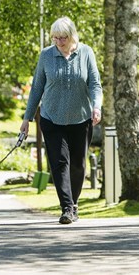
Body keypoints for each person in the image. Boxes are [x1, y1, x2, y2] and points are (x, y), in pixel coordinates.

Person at [20, 16, 102, 224]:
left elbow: (94, 84)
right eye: (55, 38)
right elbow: (37, 88)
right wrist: (27, 118)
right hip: (51, 118)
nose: (59, 42)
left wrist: (97, 106)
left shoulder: (86, 53)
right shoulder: (46, 56)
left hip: (80, 118)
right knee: (58, 163)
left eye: (63, 37)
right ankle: (66, 207)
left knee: (77, 164)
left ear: (72, 35)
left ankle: (73, 204)